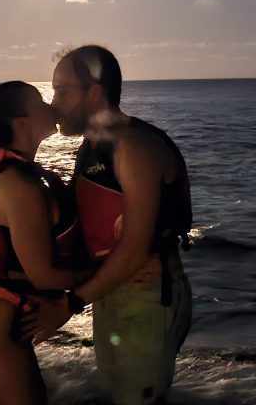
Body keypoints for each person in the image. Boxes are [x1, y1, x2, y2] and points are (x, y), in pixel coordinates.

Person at [21, 46, 194, 404]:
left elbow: (133, 251)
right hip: (109, 293)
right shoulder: (91, 148)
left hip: (146, 297)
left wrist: (68, 305)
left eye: (62, 91)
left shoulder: (131, 146)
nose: (54, 103)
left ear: (94, 93)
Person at [0, 81, 87, 405]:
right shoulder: (20, 185)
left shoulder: (19, 173)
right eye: (41, 102)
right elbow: (44, 276)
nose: (50, 108)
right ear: (22, 123)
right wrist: (106, 271)